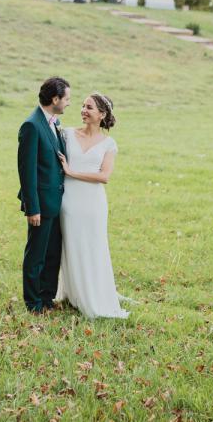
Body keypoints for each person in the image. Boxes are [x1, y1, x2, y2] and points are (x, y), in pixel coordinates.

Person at [54, 92, 130, 318]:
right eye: (82, 106)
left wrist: (71, 171)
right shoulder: (66, 134)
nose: (83, 111)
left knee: (94, 247)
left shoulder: (108, 143)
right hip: (69, 202)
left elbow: (104, 176)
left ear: (102, 114)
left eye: (89, 108)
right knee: (72, 246)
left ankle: (93, 294)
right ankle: (72, 292)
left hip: (93, 203)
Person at [17, 77, 71, 313]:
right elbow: (27, 171)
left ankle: (47, 297)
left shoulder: (54, 122)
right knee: (36, 255)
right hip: (41, 203)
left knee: (52, 254)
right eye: (67, 98)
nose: (69, 103)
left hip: (57, 202)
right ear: (55, 99)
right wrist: (32, 207)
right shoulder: (32, 125)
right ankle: (33, 302)